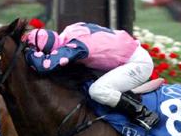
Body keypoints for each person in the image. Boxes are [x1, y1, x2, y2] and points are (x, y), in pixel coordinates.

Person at [21, 22, 160, 130]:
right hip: (130, 54)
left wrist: (28, 51)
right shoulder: (71, 29)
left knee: (97, 91)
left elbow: (44, 66)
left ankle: (143, 113)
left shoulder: (76, 47)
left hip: (138, 64)